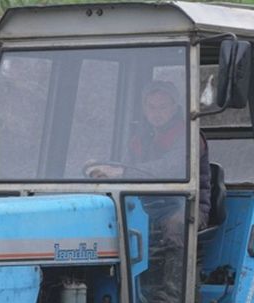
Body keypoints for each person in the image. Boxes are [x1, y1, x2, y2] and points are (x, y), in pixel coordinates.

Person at [86, 80, 211, 227]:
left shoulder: (190, 137)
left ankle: (172, 250)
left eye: (162, 107)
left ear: (174, 108)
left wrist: (121, 172)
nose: (156, 113)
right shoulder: (140, 138)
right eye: (151, 107)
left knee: (176, 225)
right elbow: (124, 166)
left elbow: (171, 169)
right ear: (144, 109)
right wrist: (103, 172)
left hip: (185, 205)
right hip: (148, 205)